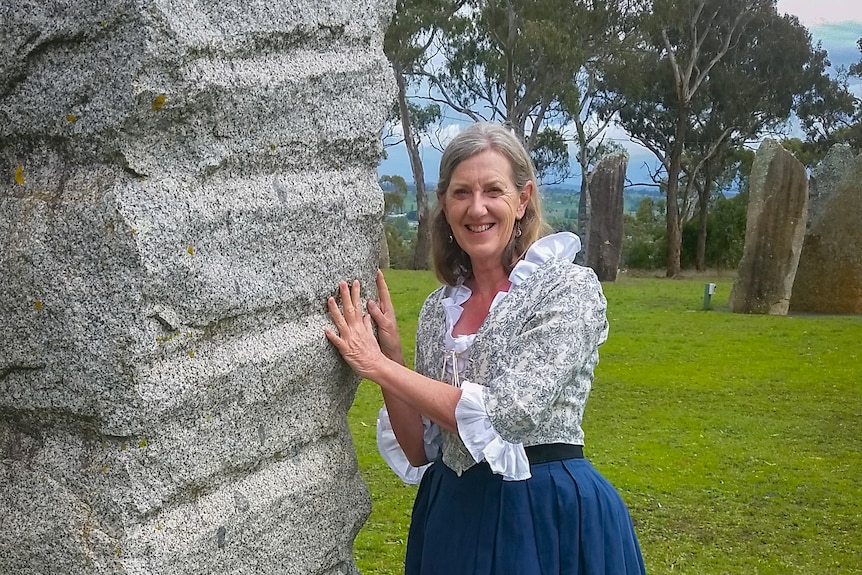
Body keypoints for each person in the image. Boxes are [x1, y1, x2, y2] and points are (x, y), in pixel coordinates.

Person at [325, 122, 646, 575]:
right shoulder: (440, 308)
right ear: (444, 204)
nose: (477, 208)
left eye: (493, 190)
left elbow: (506, 413)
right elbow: (421, 452)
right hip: (453, 515)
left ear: (522, 199)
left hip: (544, 514)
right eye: (461, 193)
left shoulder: (568, 288)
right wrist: (392, 357)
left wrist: (378, 366)